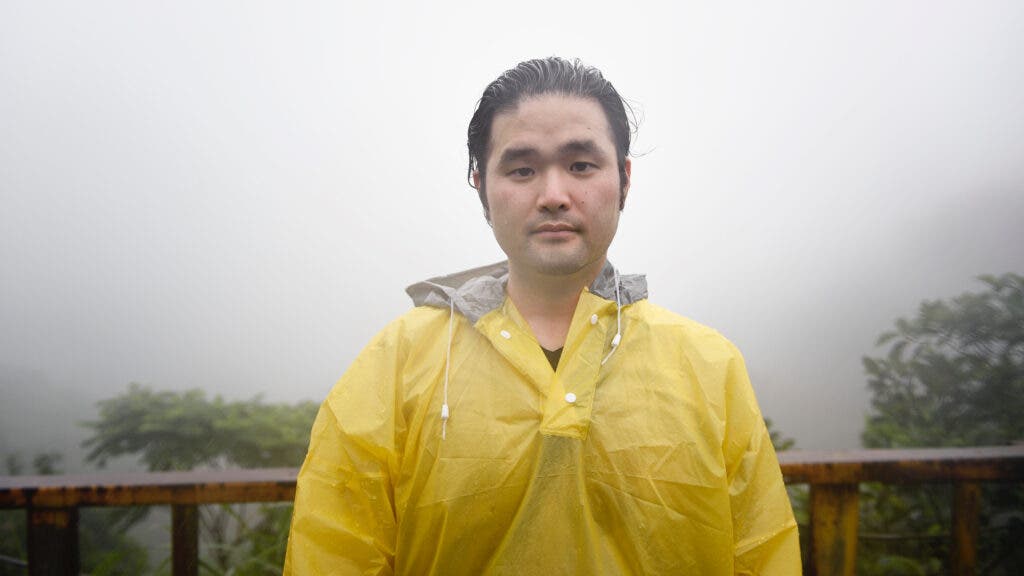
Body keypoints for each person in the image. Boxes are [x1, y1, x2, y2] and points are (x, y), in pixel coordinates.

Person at [284, 57, 800, 575]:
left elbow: (761, 553)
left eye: (581, 165)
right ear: (480, 185)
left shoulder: (708, 364)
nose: (553, 196)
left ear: (623, 178)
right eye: (522, 169)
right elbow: (334, 552)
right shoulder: (396, 363)